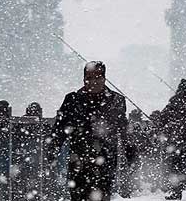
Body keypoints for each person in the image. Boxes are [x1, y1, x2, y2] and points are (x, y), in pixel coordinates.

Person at [47, 61, 129, 201]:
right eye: (89, 78)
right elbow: (60, 129)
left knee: (102, 196)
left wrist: (130, 151)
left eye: (97, 77)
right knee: (79, 196)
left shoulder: (116, 100)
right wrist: (53, 149)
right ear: (84, 79)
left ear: (104, 78)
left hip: (105, 163)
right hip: (79, 162)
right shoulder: (72, 100)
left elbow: (123, 129)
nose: (93, 82)